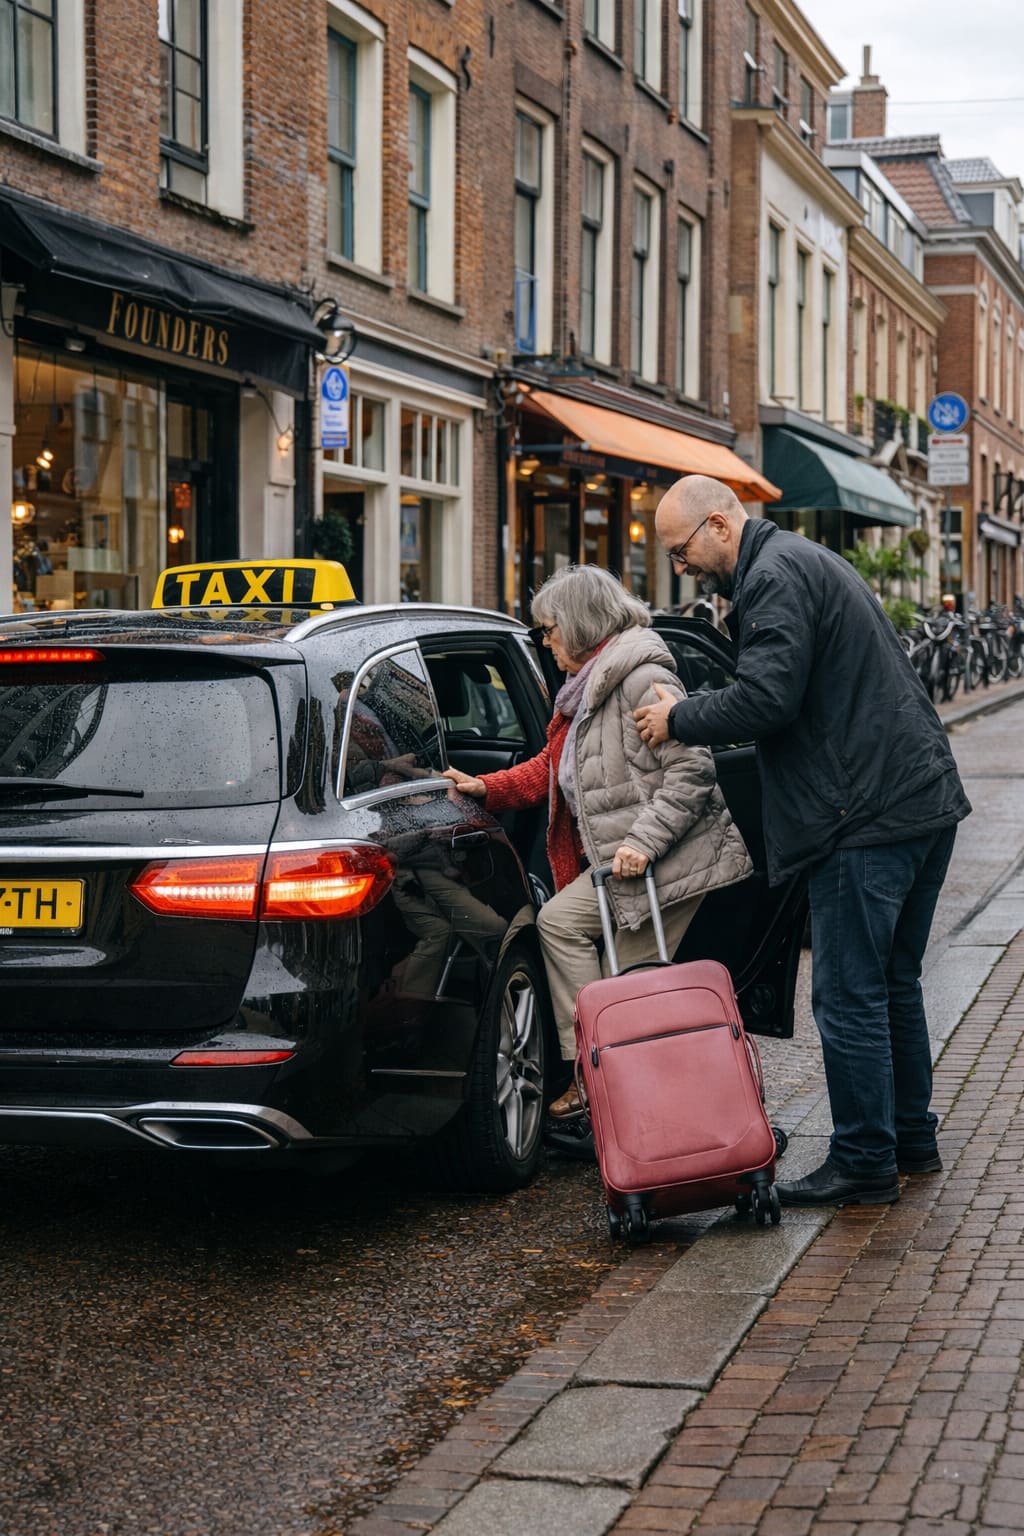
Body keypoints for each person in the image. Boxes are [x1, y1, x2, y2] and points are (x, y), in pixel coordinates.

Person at [634, 475, 971, 1208]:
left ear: (719, 525)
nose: (680, 566)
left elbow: (767, 698)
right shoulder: (801, 560)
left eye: (680, 550)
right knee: (892, 983)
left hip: (863, 818)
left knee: (848, 995)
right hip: (917, 799)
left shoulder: (772, 578)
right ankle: (909, 1139)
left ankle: (863, 1160)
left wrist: (680, 717)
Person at [442, 563, 752, 1119]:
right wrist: (486, 787)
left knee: (615, 980)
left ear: (581, 623)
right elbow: (551, 767)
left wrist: (644, 842)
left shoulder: (640, 678)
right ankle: (613, 1088)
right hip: (622, 863)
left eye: (550, 629)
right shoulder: (584, 688)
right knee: (586, 951)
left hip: (667, 861)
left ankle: (619, 1094)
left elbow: (693, 771)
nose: (545, 641)